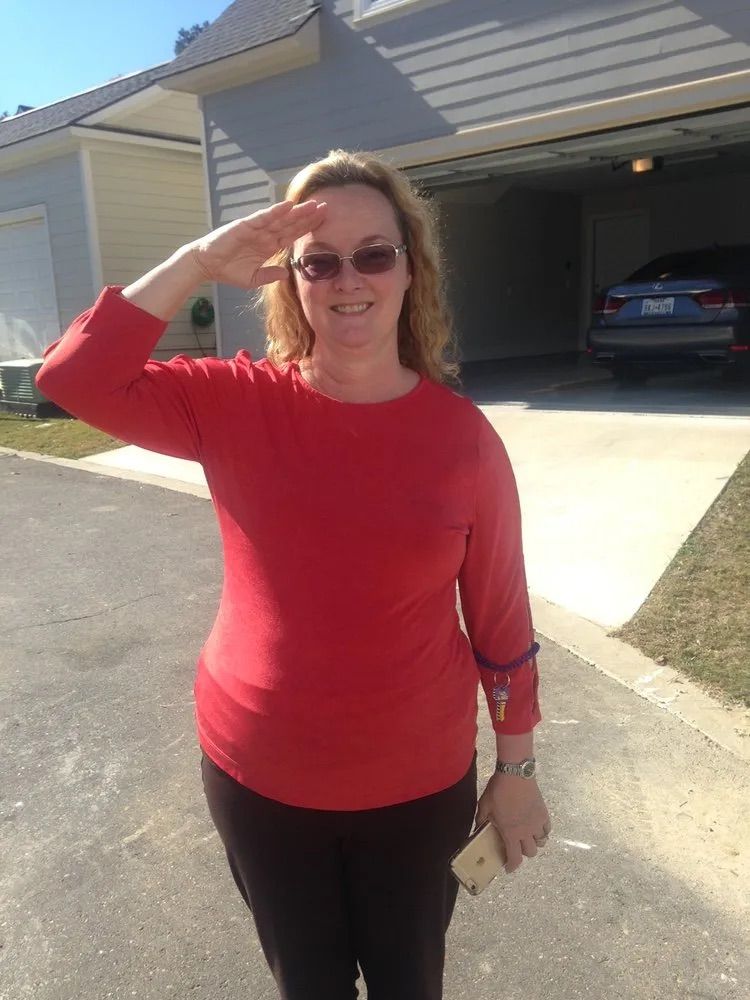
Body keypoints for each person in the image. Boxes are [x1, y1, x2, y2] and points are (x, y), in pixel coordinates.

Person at [36, 148, 551, 1000]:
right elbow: (71, 378)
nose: (349, 279)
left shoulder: (463, 442)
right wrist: (199, 261)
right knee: (306, 984)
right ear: (292, 280)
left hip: (416, 787)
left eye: (374, 253)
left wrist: (518, 769)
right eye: (321, 260)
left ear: (410, 268)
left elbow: (500, 619)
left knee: (408, 983)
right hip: (258, 776)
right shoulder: (234, 403)